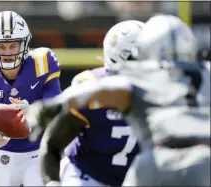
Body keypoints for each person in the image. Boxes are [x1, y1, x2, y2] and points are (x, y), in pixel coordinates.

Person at [23, 14, 210, 186]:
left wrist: (58, 104)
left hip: (154, 168)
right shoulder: (199, 75)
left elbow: (105, 89)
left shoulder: (121, 85)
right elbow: (53, 144)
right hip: (90, 176)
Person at [35, 20, 143, 186]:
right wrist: (52, 183)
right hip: (88, 177)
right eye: (142, 57)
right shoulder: (91, 90)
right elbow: (52, 145)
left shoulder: (163, 92)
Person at [0, 11, 61, 186]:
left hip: (38, 154)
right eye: (2, 46)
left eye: (13, 45)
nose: (7, 52)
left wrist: (33, 111)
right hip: (1, 155)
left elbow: (56, 110)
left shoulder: (42, 62)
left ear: (24, 44)